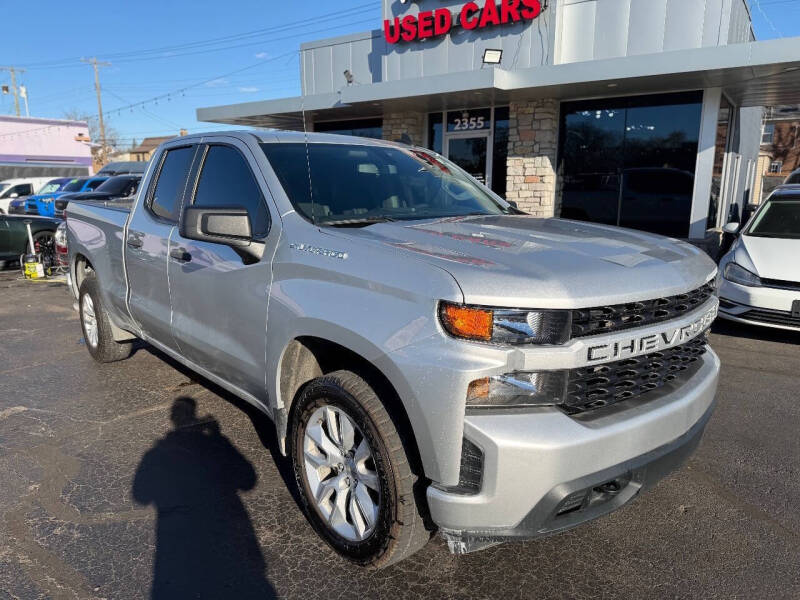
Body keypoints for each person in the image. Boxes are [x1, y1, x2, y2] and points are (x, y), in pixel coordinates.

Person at [132, 397, 275, 599]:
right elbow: (247, 479)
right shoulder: (214, 443)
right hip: (226, 532)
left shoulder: (156, 454)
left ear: (173, 420)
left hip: (180, 541)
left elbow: (140, 495)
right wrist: (217, 437)